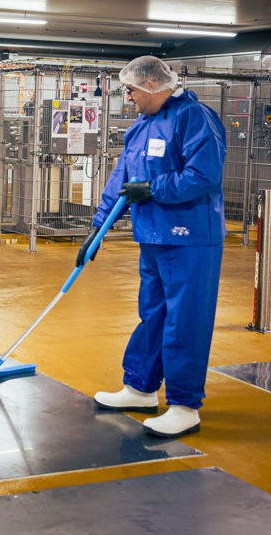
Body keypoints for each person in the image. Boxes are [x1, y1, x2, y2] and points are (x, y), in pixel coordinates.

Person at [76, 55, 226, 438]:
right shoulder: (142, 125)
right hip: (152, 234)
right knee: (154, 313)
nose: (128, 98)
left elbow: (203, 175)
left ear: (154, 86)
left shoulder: (195, 117)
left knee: (185, 319)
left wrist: (154, 189)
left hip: (190, 237)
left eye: (131, 90)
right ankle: (141, 388)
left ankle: (184, 405)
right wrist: (97, 228)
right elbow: (121, 176)